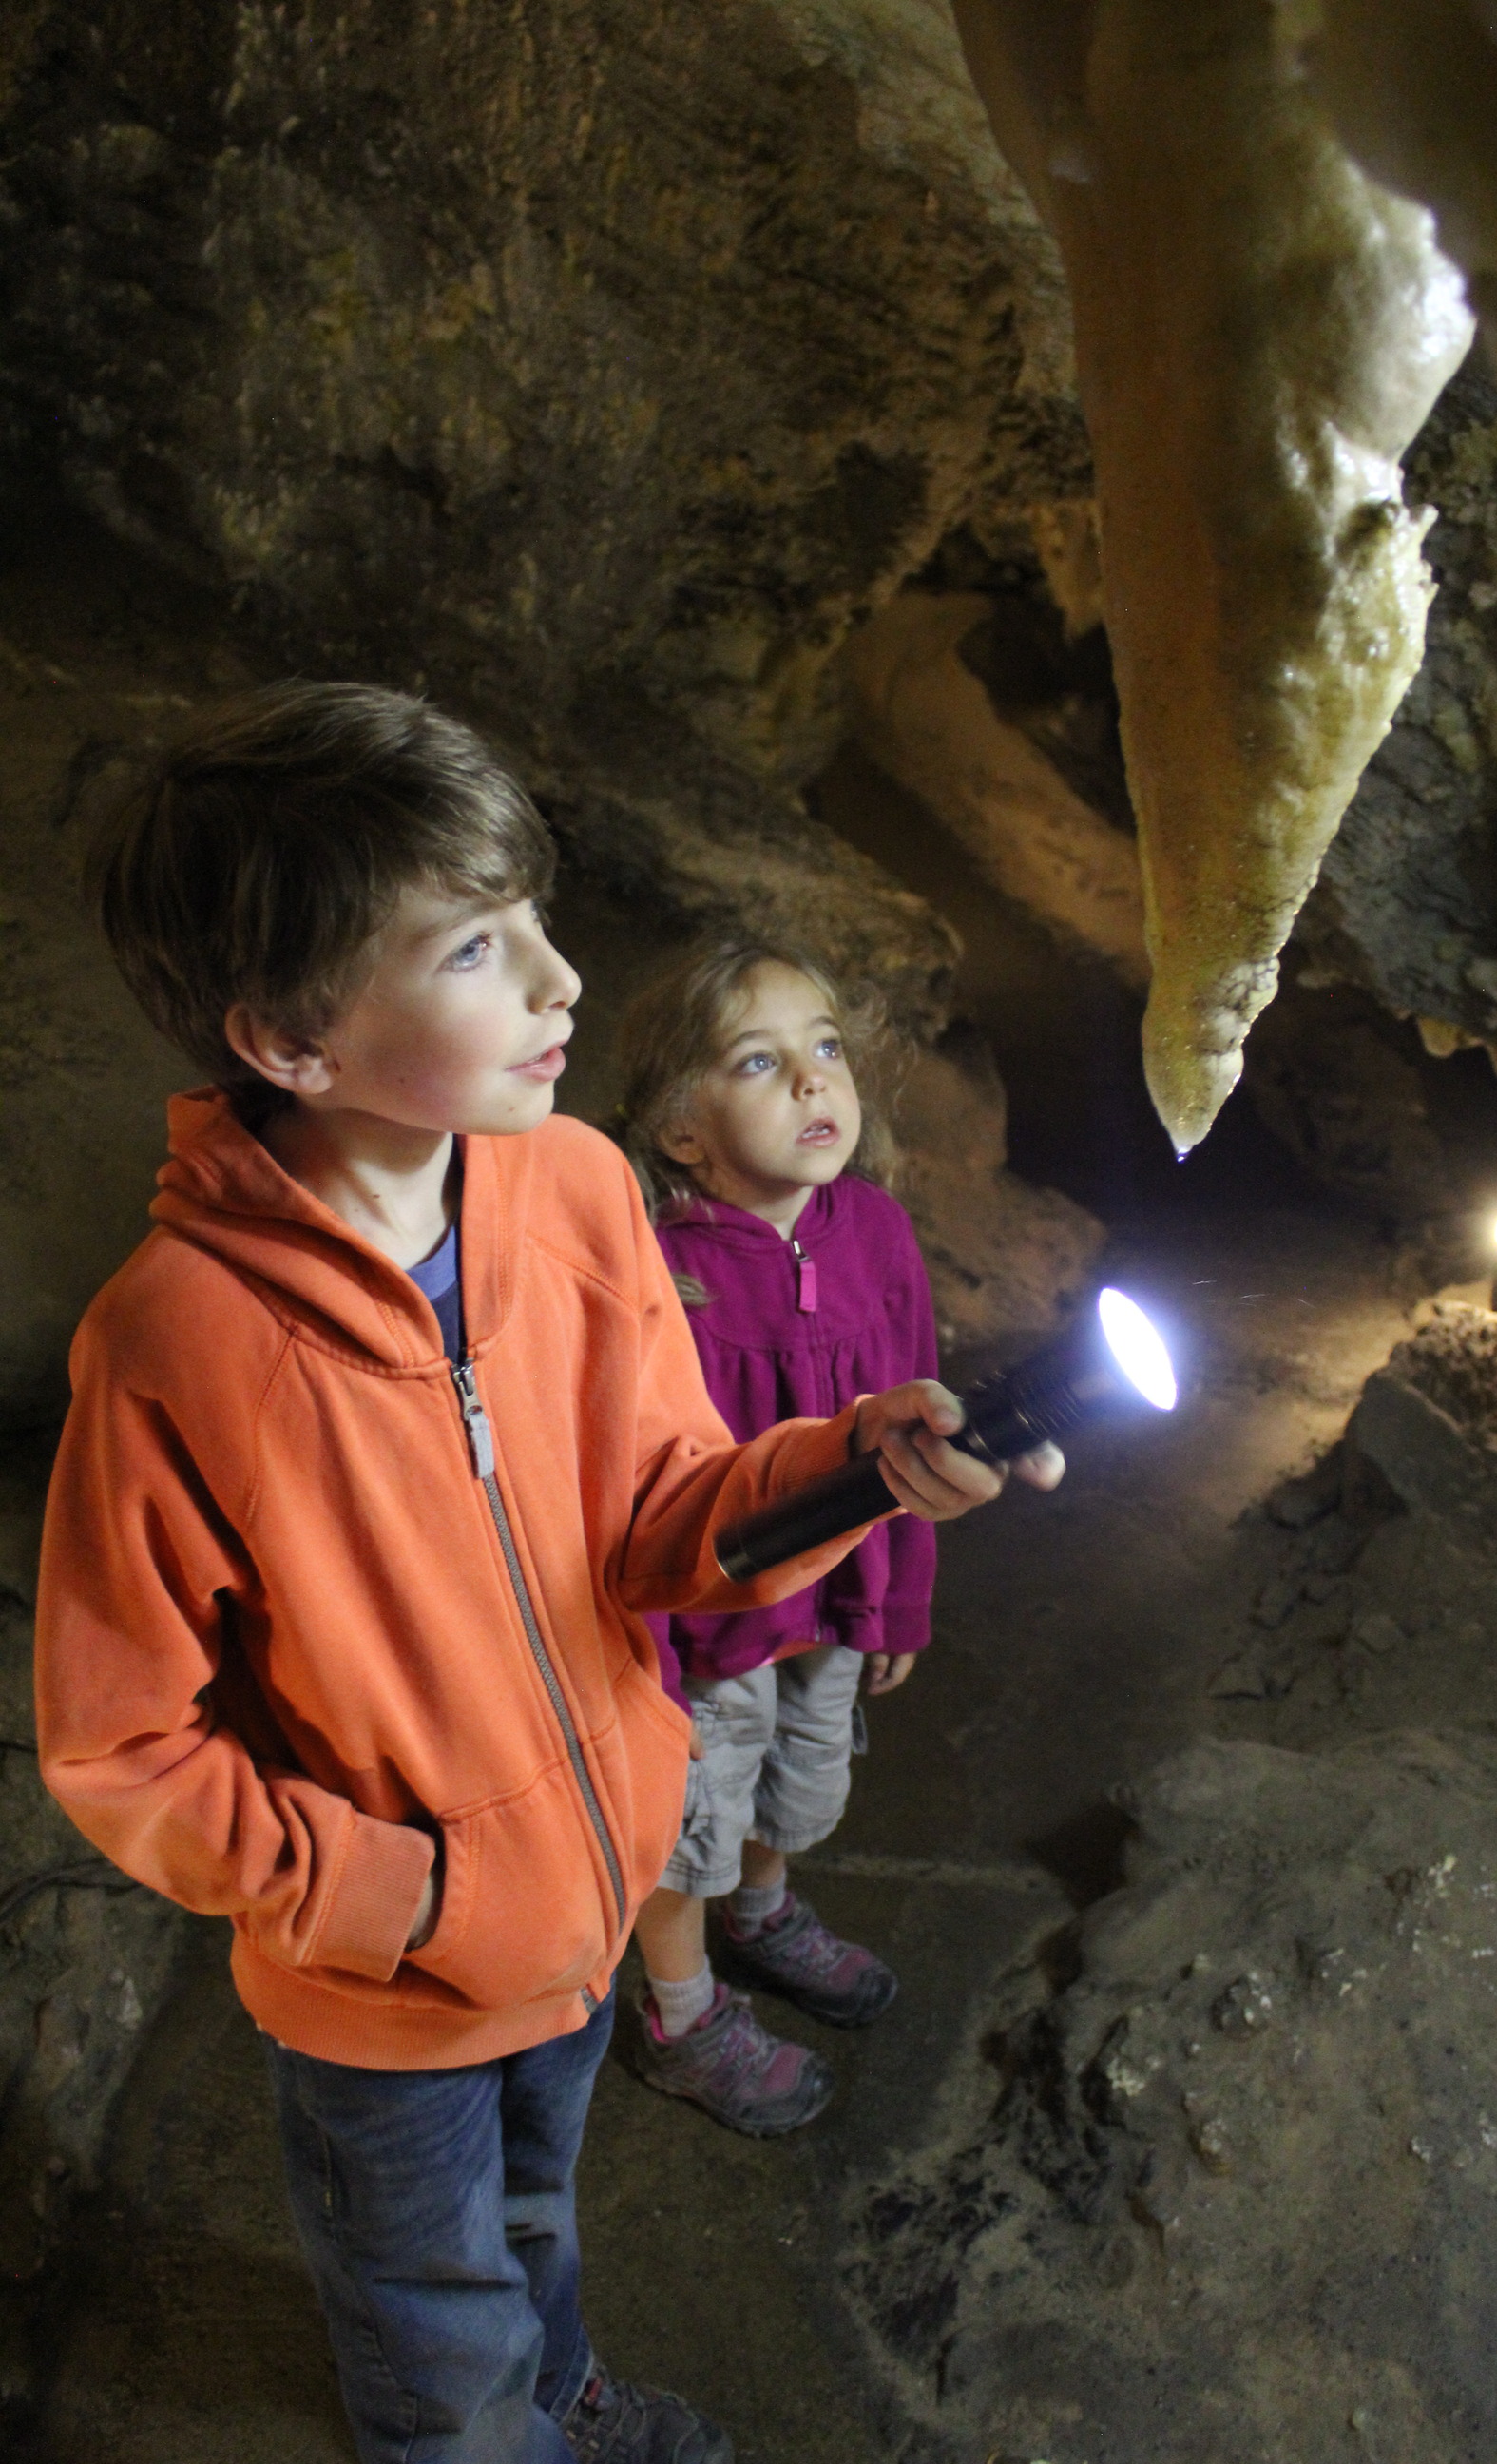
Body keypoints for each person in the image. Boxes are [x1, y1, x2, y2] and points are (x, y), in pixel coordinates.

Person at [32, 683, 1065, 2464]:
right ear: (287, 1035)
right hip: (393, 1987)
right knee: (424, 2297)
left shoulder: (572, 1188)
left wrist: (853, 1465)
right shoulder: (178, 1345)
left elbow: (664, 1506)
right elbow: (122, 1746)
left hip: (590, 1884)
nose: (562, 983)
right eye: (478, 947)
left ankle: (555, 2388)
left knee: (537, 2213)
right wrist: (400, 1897)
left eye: (537, 923)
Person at [613, 942, 938, 2138]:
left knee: (803, 1768)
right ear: (682, 1130)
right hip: (706, 1618)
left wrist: (896, 1599)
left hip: (834, 1594)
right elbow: (628, 1470)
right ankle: (681, 2013)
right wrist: (648, 1639)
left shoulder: (878, 1236)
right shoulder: (656, 1268)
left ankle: (763, 1915)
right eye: (761, 1061)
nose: (814, 1083)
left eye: (827, 1048)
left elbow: (917, 1415)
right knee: (690, 1811)